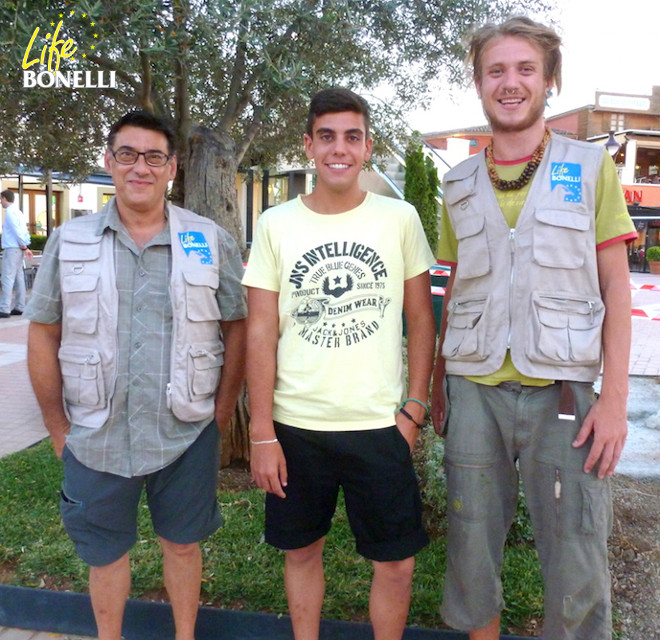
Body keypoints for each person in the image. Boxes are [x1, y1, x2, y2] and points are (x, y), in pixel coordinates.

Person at [430, 16, 638, 640]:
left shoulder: (591, 167)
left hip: (567, 397)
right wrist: (439, 387)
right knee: (470, 549)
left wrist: (617, 402)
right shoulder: (458, 181)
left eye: (525, 69)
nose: (511, 82)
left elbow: (616, 286)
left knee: (576, 551)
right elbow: (457, 284)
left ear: (549, 80)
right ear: (479, 82)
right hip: (474, 391)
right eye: (497, 70)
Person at [25, 110, 247, 640]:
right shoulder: (70, 240)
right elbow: (42, 333)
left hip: (185, 429)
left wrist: (220, 412)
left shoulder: (210, 239)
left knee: (183, 544)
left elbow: (239, 327)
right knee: (104, 554)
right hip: (96, 431)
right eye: (127, 154)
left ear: (172, 167)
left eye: (153, 157)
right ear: (109, 161)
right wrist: (58, 428)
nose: (139, 167)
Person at [243, 88, 436, 640]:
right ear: (309, 145)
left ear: (367, 147)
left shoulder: (398, 218)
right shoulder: (277, 224)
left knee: (396, 565)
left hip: (379, 425)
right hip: (296, 425)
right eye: (326, 136)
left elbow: (421, 320)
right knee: (302, 554)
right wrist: (261, 431)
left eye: (352, 137)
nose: (339, 149)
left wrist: (414, 409)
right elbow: (260, 329)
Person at [0, 189, 33, 318]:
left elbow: (16, 231)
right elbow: (23, 231)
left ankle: (4, 308)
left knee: (7, 277)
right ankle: (20, 306)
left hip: (12, 248)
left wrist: (24, 247)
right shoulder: (18, 212)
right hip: (18, 249)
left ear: (4, 198)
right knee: (19, 277)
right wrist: (25, 246)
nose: (0, 202)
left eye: (1, 199)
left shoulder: (10, 213)